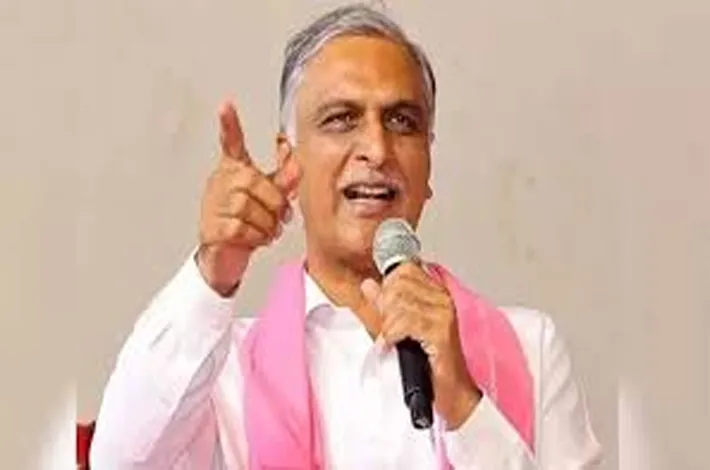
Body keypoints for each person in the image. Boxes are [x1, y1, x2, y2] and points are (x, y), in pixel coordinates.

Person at [90, 4, 602, 469]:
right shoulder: (223, 373)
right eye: (342, 119)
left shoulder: (530, 348)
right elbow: (120, 461)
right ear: (289, 161)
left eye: (402, 121)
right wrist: (213, 271)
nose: (377, 149)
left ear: (428, 163)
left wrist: (466, 405)